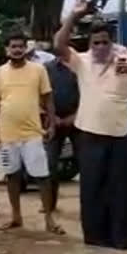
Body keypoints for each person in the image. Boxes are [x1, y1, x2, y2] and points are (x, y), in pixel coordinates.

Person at [54, 0, 127, 249]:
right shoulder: (82, 61)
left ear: (111, 42)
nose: (100, 47)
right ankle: (96, 237)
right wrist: (74, 15)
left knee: (122, 189)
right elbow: (59, 44)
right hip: (90, 135)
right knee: (92, 189)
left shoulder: (126, 63)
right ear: (90, 44)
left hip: (120, 136)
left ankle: (122, 237)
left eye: (105, 42)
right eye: (96, 43)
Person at [0, 29, 62, 235]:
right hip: (6, 134)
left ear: (26, 48)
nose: (17, 50)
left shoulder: (38, 70)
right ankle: (16, 216)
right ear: (7, 50)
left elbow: (48, 98)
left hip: (32, 133)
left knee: (42, 176)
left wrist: (52, 124)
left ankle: (49, 219)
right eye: (13, 46)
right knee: (11, 175)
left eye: (21, 46)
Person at [44, 50, 80, 211]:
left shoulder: (80, 67)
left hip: (79, 121)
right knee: (50, 164)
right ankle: (49, 204)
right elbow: (41, 94)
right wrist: (52, 117)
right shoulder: (46, 68)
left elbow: (88, 93)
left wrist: (74, 116)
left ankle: (89, 204)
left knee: (85, 164)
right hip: (53, 122)